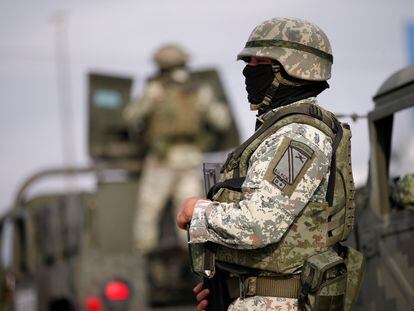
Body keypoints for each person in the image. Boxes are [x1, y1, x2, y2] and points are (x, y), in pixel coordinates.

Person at [177, 17, 364, 311]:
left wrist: (197, 211)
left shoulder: (299, 136)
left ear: (290, 68)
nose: (247, 71)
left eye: (256, 63)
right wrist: (228, 288)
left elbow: (259, 222)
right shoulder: (281, 132)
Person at [124, 44, 231, 254]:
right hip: (190, 159)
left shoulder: (155, 89)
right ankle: (195, 257)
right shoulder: (200, 90)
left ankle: (143, 254)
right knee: (190, 212)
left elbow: (131, 117)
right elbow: (222, 121)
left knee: (149, 211)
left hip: (161, 159)